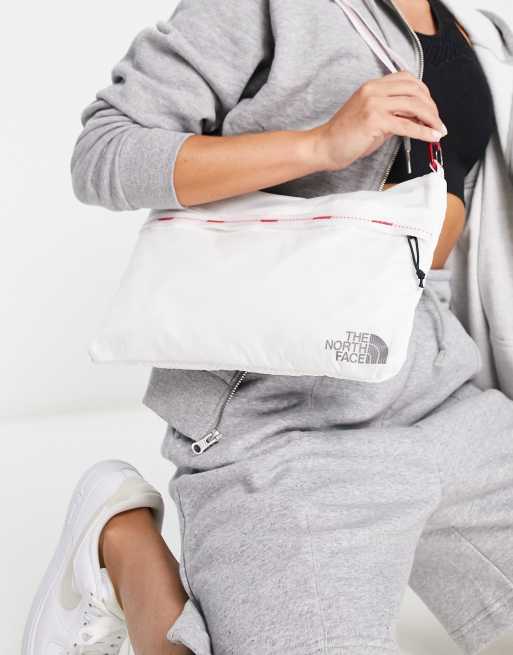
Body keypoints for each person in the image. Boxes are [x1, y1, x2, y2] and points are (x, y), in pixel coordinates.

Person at [23, 0, 513, 654]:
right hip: (282, 422)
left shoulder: (479, 35)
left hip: (438, 394)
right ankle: (121, 541)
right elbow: (104, 154)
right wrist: (320, 145)